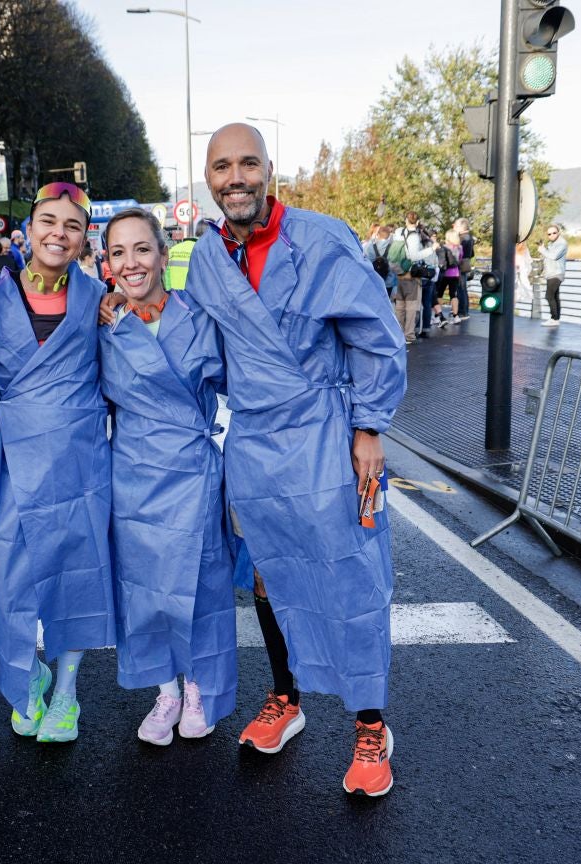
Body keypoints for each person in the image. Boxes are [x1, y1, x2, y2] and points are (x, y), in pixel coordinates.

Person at [183, 124, 405, 796]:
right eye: (222, 167)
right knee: (268, 576)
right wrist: (132, 318)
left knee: (352, 575)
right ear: (209, 178)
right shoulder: (206, 259)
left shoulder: (321, 236)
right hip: (253, 441)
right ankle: (287, 698)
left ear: (269, 170)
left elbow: (375, 335)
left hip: (325, 433)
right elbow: (200, 346)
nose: (236, 178)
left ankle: (372, 726)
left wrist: (368, 427)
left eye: (248, 163)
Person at [0, 182, 114, 743]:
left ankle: (67, 693)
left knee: (76, 573)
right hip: (10, 459)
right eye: (48, 222)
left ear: (86, 238)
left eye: (72, 225)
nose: (59, 233)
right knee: (7, 572)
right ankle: (27, 672)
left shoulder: (99, 298)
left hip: (78, 460)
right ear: (28, 230)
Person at [97, 207, 235, 745]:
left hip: (194, 471)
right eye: (118, 252)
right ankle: (165, 690)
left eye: (141, 249)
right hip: (132, 473)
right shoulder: (103, 325)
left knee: (202, 584)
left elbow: (235, 384)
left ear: (162, 252)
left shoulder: (200, 315)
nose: (131, 263)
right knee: (144, 588)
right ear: (106, 263)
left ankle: (200, 685)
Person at [390, 212, 436, 345]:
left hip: (398, 274)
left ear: (405, 220)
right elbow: (414, 256)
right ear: (417, 222)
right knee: (411, 307)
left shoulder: (398, 232)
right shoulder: (414, 236)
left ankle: (398, 333)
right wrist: (431, 249)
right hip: (410, 275)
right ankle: (409, 335)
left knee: (399, 306)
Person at [538, 224, 567, 327]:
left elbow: (553, 256)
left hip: (556, 273)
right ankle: (556, 319)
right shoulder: (552, 244)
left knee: (549, 296)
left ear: (558, 232)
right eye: (549, 234)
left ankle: (554, 319)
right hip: (551, 273)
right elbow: (547, 258)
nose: (552, 235)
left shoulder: (562, 243)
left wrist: (542, 250)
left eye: (554, 233)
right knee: (555, 296)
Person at [435, 229, 463, 326]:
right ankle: (456, 316)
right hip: (455, 274)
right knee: (453, 295)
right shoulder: (460, 247)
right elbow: (460, 259)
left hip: (444, 273)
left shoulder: (444, 247)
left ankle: (438, 316)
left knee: (439, 294)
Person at [455, 217, 475, 320]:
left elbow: (457, 253)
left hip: (460, 265)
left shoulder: (462, 238)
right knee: (463, 288)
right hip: (466, 264)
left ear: (461, 226)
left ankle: (462, 312)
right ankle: (464, 311)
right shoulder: (470, 238)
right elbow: (472, 254)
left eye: (457, 225)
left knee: (460, 288)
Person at [514, 241, 534, 309]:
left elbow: (528, 262)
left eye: (522, 243)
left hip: (521, 270)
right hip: (513, 271)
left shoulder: (525, 250)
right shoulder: (513, 248)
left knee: (519, 287)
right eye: (519, 243)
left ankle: (512, 306)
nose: (521, 244)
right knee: (514, 288)